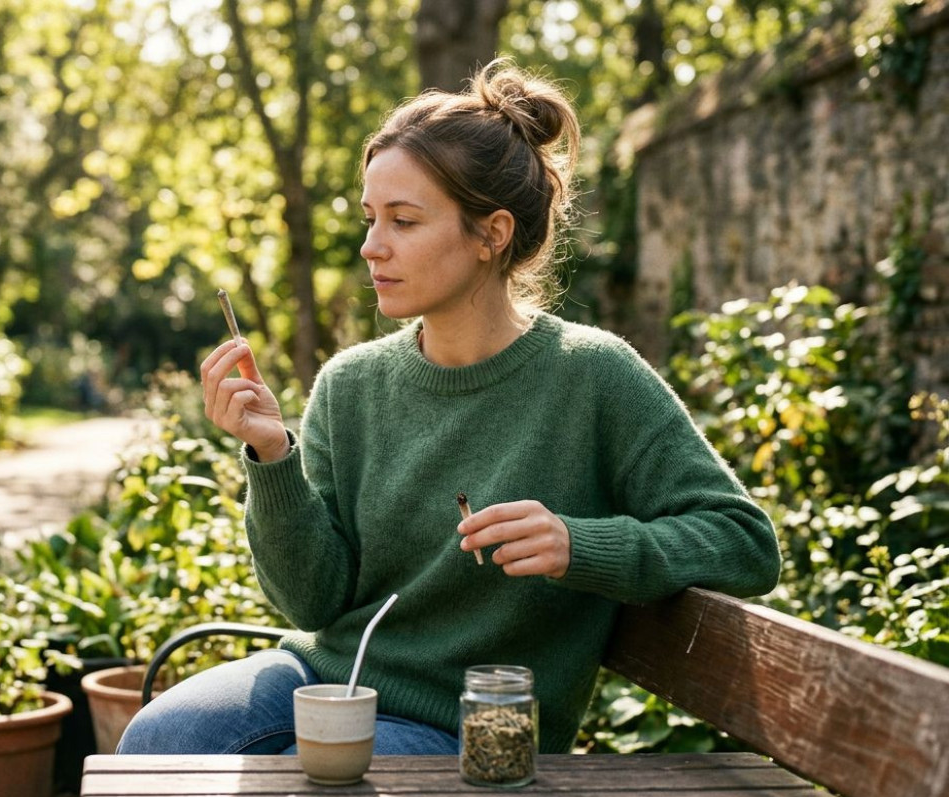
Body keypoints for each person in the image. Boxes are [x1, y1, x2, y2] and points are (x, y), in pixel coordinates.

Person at [119, 60, 781, 757]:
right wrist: (272, 456)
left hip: (471, 725)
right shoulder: (351, 385)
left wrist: (579, 545)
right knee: (161, 735)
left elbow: (743, 542)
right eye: (371, 218)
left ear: (491, 234)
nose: (373, 247)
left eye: (403, 221)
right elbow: (313, 604)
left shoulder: (593, 377)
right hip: (327, 677)